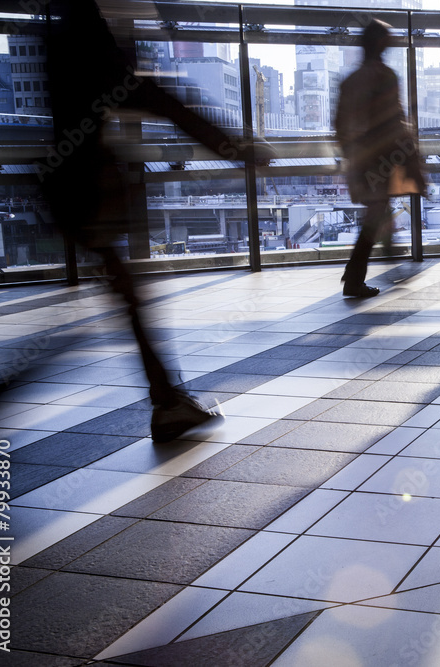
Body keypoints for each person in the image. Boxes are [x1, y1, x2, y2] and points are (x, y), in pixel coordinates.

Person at [32, 0, 268, 442]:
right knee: (122, 304)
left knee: (125, 300)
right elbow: (156, 98)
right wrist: (232, 146)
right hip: (84, 187)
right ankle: (165, 401)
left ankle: (166, 399)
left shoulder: (61, 29)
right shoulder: (87, 36)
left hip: (68, 185)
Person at [334, 19, 426, 298]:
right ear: (379, 44)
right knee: (376, 213)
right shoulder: (385, 76)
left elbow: (339, 125)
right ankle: (359, 274)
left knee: (376, 211)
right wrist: (411, 160)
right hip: (382, 159)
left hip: (360, 160)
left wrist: (351, 154)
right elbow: (396, 121)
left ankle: (363, 270)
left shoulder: (350, 80)